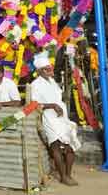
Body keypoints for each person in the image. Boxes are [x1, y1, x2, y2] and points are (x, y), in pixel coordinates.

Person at [29, 53, 81, 187]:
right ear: (39, 71)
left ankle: (68, 174)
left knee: (70, 147)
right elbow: (35, 105)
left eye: (50, 68)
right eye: (46, 69)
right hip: (49, 118)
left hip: (62, 117)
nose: (50, 70)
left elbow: (58, 97)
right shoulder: (35, 85)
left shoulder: (52, 82)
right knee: (56, 146)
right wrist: (52, 105)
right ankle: (63, 176)